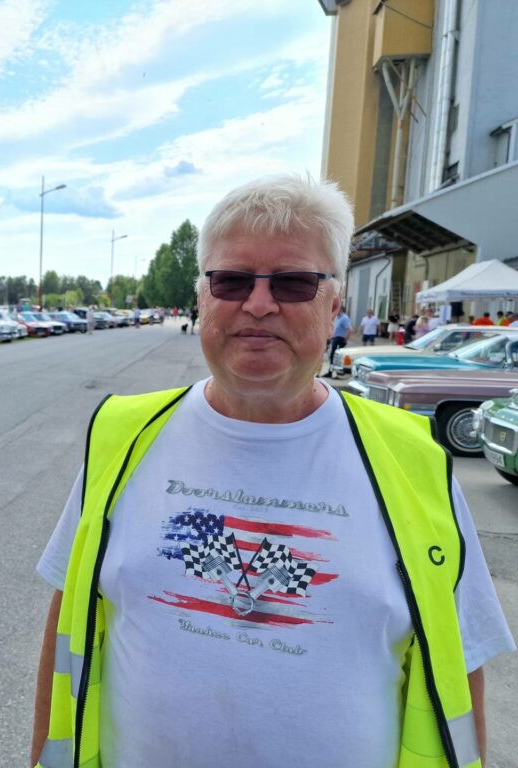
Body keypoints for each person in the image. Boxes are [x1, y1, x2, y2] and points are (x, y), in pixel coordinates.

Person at [30, 174, 513, 768]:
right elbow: (66, 630)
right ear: (202, 297)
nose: (258, 304)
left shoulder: (414, 464)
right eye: (231, 280)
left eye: (293, 282)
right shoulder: (122, 439)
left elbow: (460, 672)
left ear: (336, 305)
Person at [323, 306, 352, 376]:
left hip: (340, 339)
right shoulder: (338, 318)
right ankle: (331, 372)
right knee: (332, 356)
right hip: (335, 338)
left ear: (340, 310)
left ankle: (331, 372)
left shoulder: (344, 318)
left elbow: (350, 330)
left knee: (334, 356)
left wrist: (345, 339)